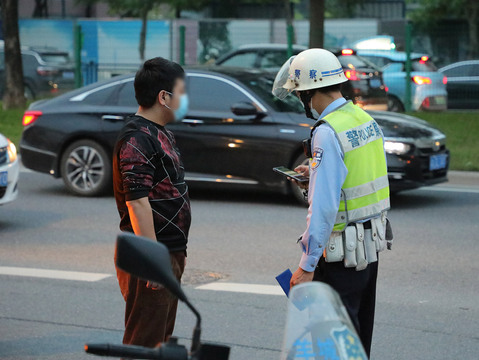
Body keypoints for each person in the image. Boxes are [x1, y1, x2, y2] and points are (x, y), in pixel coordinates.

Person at [272, 49, 392, 357]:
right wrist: (314, 171)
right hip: (368, 249)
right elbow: (357, 177)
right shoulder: (363, 119)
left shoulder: (327, 132)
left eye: (300, 95)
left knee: (332, 346)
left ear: (308, 93)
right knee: (357, 337)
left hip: (340, 257)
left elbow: (324, 209)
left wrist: (306, 265)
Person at [112, 57, 191, 348]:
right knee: (143, 344)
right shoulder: (137, 138)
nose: (184, 99)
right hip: (150, 255)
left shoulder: (160, 132)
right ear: (163, 97)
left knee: (160, 342)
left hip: (169, 252)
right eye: (181, 92)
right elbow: (137, 203)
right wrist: (153, 262)